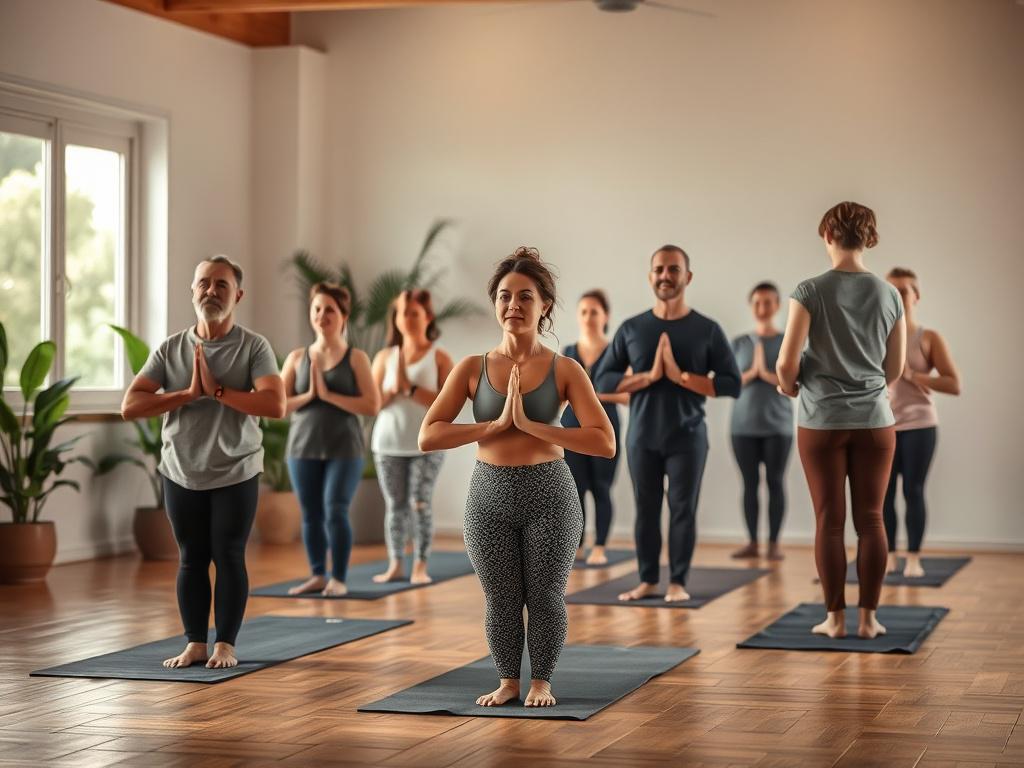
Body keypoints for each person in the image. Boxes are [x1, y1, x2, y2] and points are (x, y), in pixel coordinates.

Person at [419, 247, 614, 708]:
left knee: (545, 596)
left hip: (550, 493)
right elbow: (430, 434)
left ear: (544, 304)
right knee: (500, 597)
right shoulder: (471, 368)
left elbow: (604, 441)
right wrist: (491, 427)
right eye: (505, 296)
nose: (514, 305)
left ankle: (542, 681)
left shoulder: (566, 370)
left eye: (525, 297)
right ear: (495, 304)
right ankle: (508, 680)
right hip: (488, 495)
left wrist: (532, 426)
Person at [122, 255, 285, 669]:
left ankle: (225, 644)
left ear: (238, 295)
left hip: (236, 468)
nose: (211, 291)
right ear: (192, 290)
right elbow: (131, 405)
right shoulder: (172, 348)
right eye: (203, 283)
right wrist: (187, 394)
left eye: (221, 285)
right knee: (191, 557)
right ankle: (195, 642)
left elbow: (274, 403)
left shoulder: (253, 346)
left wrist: (217, 393)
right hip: (181, 470)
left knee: (228, 554)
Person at [776, 202, 906, 639]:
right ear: (868, 237)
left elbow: (785, 363)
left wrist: (790, 387)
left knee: (829, 520)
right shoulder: (890, 294)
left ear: (828, 233)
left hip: (821, 421)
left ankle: (834, 619)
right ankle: (869, 619)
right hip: (875, 420)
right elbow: (896, 369)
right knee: (872, 519)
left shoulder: (809, 290)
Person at [594, 245, 741, 603]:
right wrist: (649, 377)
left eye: (673, 270)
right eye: (659, 269)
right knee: (645, 510)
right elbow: (601, 381)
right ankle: (647, 580)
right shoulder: (632, 328)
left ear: (687, 277)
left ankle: (677, 582)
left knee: (681, 509)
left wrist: (681, 377)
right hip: (642, 436)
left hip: (688, 437)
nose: (665, 276)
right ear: (650, 277)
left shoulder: (706, 329)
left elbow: (731, 383)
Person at [281, 283, 380, 597]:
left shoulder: (356, 358)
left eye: (330, 310)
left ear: (343, 316)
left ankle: (338, 578)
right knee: (310, 512)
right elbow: (279, 405)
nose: (322, 315)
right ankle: (317, 575)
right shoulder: (297, 358)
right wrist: (310, 395)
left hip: (344, 448)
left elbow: (371, 405)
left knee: (335, 509)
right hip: (302, 447)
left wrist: (329, 395)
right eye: (317, 309)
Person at [370, 289, 454, 584]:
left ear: (427, 318)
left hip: (427, 444)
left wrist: (410, 389)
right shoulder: (384, 357)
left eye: (414, 313)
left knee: (420, 502)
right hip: (388, 443)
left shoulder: (440, 357)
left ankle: (420, 565)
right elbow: (372, 404)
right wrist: (393, 391)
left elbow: (448, 403)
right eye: (402, 313)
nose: (407, 318)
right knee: (395, 505)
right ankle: (395, 563)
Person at [883, 267, 961, 578]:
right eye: (892, 290)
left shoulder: (928, 337)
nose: (898, 296)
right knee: (883, 495)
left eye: (903, 291)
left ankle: (913, 557)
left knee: (913, 491)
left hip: (920, 426)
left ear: (916, 296)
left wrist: (912, 375)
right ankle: (889, 555)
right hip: (884, 426)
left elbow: (954, 384)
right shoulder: (877, 337)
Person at [561, 290, 628, 565]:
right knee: (574, 490)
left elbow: (627, 396)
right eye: (584, 311)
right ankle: (576, 546)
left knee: (601, 487)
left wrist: (592, 397)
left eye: (594, 311)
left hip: (604, 428)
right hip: (571, 430)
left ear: (605, 316)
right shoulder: (568, 353)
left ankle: (599, 546)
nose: (589, 317)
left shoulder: (616, 353)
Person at [730, 282, 794, 561]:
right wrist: (750, 373)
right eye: (757, 302)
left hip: (777, 427)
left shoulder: (785, 341)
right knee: (749, 484)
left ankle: (774, 543)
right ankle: (753, 542)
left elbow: (792, 382)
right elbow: (728, 384)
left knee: (776, 483)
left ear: (777, 306)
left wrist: (764, 373)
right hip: (742, 426)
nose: (762, 308)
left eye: (767, 302)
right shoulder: (740, 343)